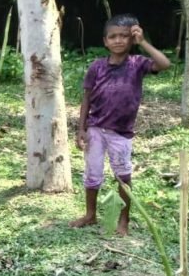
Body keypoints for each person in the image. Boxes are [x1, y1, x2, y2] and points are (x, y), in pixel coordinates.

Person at [70, 14, 171, 235]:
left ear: (131, 39)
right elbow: (86, 98)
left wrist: (142, 42)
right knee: (92, 173)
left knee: (123, 174)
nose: (118, 40)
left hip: (121, 133)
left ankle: (123, 221)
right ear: (105, 41)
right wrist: (81, 128)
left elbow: (164, 64)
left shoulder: (138, 64)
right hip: (95, 129)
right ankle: (90, 214)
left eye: (124, 36)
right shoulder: (96, 67)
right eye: (112, 37)